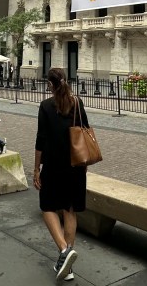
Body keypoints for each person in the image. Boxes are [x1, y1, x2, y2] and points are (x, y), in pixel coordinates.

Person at [33, 67, 88, 281]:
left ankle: (64, 251)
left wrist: (36, 168)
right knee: (70, 210)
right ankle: (67, 266)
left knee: (47, 206)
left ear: (50, 84)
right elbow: (86, 130)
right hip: (76, 165)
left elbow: (40, 140)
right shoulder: (78, 103)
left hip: (54, 165)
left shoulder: (46, 106)